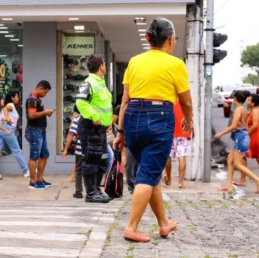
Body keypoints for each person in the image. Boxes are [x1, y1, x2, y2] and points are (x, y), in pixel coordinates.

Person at [114, 18, 193, 242]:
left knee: (151, 172)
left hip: (132, 119)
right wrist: (189, 121)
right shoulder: (175, 64)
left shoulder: (134, 62)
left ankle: (164, 223)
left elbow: (126, 100)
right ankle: (132, 227)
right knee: (147, 175)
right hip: (159, 118)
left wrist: (120, 132)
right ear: (170, 40)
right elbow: (186, 102)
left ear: (148, 39)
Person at [76, 54, 114, 204]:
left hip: (101, 129)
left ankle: (97, 189)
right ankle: (91, 193)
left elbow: (104, 106)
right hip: (91, 127)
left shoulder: (101, 83)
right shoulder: (89, 82)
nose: (105, 66)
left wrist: (108, 121)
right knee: (91, 158)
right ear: (101, 67)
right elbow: (80, 102)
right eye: (104, 63)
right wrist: (94, 117)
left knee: (102, 160)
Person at [213, 90, 259, 193]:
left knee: (237, 163)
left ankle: (258, 180)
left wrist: (220, 133)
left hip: (241, 137)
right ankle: (229, 185)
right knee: (230, 161)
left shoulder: (238, 110)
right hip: (241, 137)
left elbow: (234, 125)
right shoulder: (244, 109)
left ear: (235, 99)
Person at [25, 80, 55, 190]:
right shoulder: (32, 99)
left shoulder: (37, 99)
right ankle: (32, 182)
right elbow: (32, 115)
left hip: (40, 131)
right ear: (40, 88)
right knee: (34, 156)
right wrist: (45, 112)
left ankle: (40, 179)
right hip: (34, 131)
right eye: (45, 92)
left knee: (44, 155)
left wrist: (46, 113)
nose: (45, 94)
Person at [0, 90, 28, 177]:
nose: (18, 98)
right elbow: (4, 108)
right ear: (12, 98)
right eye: (17, 96)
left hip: (3, 129)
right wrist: (8, 118)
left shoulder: (11, 106)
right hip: (8, 129)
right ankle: (26, 171)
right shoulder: (10, 105)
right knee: (17, 151)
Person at [165, 100, 192, 189]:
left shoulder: (169, 98)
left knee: (168, 156)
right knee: (181, 157)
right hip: (183, 132)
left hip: (170, 131)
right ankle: (180, 182)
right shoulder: (186, 99)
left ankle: (169, 179)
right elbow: (189, 117)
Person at [62, 113, 84, 198]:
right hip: (93, 146)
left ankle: (78, 191)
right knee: (92, 169)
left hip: (80, 147)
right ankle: (93, 190)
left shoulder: (78, 118)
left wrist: (66, 148)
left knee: (79, 170)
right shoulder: (95, 115)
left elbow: (71, 133)